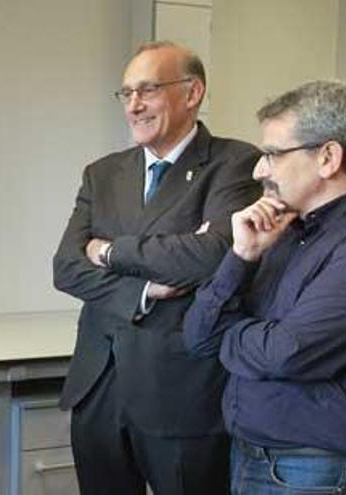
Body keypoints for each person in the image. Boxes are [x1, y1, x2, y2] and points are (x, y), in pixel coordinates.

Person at [52, 41, 261, 494]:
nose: (134, 105)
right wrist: (144, 291)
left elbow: (213, 256)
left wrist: (108, 252)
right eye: (126, 93)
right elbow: (66, 266)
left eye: (147, 90)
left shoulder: (234, 163)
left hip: (182, 393)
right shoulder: (102, 173)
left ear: (192, 92)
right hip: (99, 387)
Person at [183, 81, 346, 494]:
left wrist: (231, 332)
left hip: (312, 470)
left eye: (272, 154)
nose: (258, 170)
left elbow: (287, 353)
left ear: (328, 157)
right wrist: (241, 256)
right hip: (250, 455)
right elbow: (199, 334)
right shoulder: (281, 231)